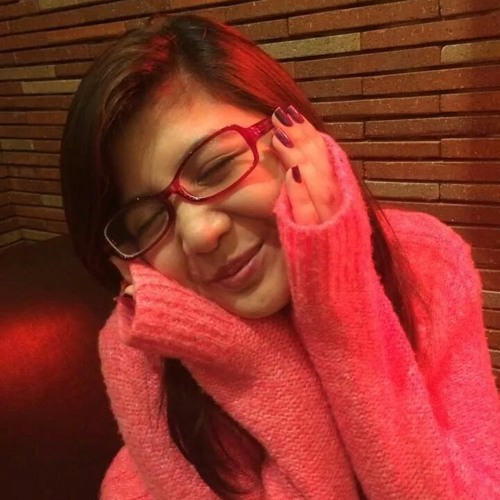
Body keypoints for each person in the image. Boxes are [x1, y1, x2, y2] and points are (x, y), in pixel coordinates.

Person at [60, 14, 500, 500]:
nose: (201, 234)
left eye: (217, 166)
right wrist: (245, 357)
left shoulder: (427, 262)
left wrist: (340, 303)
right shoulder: (140, 349)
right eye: (146, 222)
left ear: (293, 134)